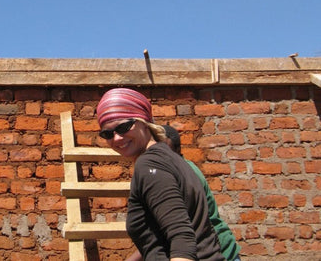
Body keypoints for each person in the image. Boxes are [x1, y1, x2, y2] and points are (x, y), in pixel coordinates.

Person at [96, 88, 224, 261]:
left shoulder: (149, 164)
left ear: (144, 121)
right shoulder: (172, 158)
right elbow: (162, 235)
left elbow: (181, 238)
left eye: (124, 127)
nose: (117, 138)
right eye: (107, 133)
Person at [162, 125, 241, 261]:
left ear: (178, 151)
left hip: (218, 252)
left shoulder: (183, 175)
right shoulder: (173, 171)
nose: (161, 157)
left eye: (166, 153)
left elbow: (178, 228)